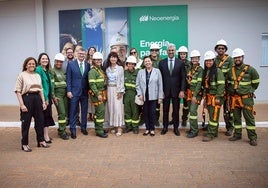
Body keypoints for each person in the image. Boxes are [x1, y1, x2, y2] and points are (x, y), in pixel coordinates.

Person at [14, 57, 49, 152]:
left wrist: (43, 102)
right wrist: (22, 105)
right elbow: (18, 91)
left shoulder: (37, 75)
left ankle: (41, 140)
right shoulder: (21, 75)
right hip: (27, 98)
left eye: (33, 64)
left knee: (40, 121)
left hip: (37, 98)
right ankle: (24, 144)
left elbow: (41, 90)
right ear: (26, 65)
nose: (31, 65)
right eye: (29, 63)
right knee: (26, 123)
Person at [226, 48, 260, 146]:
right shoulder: (230, 71)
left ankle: (252, 137)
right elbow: (228, 83)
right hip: (234, 99)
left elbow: (256, 83)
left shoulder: (251, 70)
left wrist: (249, 91)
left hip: (246, 99)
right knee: (236, 118)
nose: (237, 59)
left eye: (239, 57)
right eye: (235, 57)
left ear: (243, 57)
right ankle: (237, 134)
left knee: (249, 118)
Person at [158, 43, 186, 136]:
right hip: (165, 91)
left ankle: (175, 128)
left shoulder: (180, 63)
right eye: (169, 50)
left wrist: (182, 90)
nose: (171, 52)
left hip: (176, 91)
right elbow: (160, 78)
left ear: (175, 51)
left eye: (172, 50)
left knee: (176, 110)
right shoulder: (161, 63)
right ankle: (165, 127)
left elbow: (183, 78)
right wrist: (160, 90)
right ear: (167, 51)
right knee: (165, 110)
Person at [136, 56, 163, 136]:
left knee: (152, 113)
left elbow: (160, 84)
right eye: (146, 61)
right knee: (146, 113)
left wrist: (160, 97)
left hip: (153, 96)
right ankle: (147, 129)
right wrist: (140, 94)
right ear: (144, 63)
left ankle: (152, 129)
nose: (147, 63)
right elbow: (137, 84)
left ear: (151, 62)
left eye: (149, 61)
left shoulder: (157, 71)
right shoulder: (140, 72)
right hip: (144, 96)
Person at [66, 48, 90, 139]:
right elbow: (68, 79)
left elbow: (87, 79)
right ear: (77, 54)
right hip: (74, 92)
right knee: (73, 111)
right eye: (80, 54)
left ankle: (83, 128)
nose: (81, 55)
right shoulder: (71, 64)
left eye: (83, 54)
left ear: (85, 55)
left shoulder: (87, 65)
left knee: (84, 111)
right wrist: (69, 90)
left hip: (84, 92)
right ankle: (73, 129)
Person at [202, 50, 225, 142]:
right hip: (209, 97)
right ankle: (214, 131)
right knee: (211, 115)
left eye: (210, 60)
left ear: (214, 60)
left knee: (214, 115)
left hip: (216, 97)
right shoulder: (207, 71)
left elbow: (221, 85)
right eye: (206, 61)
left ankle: (211, 134)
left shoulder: (217, 71)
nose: (208, 62)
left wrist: (218, 97)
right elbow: (206, 86)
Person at [214, 39, 234, 136]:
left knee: (227, 111)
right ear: (216, 49)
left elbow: (232, 74)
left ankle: (229, 128)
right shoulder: (214, 59)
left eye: (222, 48)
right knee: (215, 109)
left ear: (225, 49)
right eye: (219, 48)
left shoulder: (230, 60)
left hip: (227, 90)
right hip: (217, 90)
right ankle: (214, 128)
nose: (221, 50)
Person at [36, 53, 55, 143]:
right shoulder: (38, 69)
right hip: (43, 98)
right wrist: (45, 99)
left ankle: (45, 135)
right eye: (43, 59)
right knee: (43, 117)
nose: (45, 60)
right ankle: (44, 137)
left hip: (48, 97)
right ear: (39, 60)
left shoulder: (46, 70)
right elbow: (40, 85)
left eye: (46, 59)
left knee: (47, 116)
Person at [169, 46, 191, 127]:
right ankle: (174, 119)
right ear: (178, 54)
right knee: (176, 105)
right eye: (181, 54)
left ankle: (184, 119)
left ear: (186, 54)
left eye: (184, 54)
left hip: (187, 87)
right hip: (177, 87)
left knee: (186, 105)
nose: (182, 55)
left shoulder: (189, 64)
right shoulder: (175, 62)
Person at [88, 52, 108, 138]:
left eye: (100, 59)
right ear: (93, 60)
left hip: (102, 93)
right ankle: (99, 131)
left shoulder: (100, 70)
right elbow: (92, 85)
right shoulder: (92, 71)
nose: (98, 61)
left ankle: (99, 127)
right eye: (96, 60)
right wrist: (97, 94)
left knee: (100, 112)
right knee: (100, 112)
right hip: (97, 95)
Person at [105, 51, 125, 136]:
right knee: (111, 108)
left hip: (117, 90)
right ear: (109, 58)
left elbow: (122, 80)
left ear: (117, 59)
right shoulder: (107, 69)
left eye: (115, 57)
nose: (113, 59)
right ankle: (114, 126)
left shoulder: (120, 68)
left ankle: (119, 127)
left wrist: (120, 91)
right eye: (111, 57)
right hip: (109, 89)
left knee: (118, 109)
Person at [185, 50, 203, 138]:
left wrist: (195, 96)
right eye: (193, 58)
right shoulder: (189, 68)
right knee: (190, 111)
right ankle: (192, 128)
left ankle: (195, 131)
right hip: (189, 94)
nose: (194, 60)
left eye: (196, 58)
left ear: (199, 59)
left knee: (193, 111)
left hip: (196, 95)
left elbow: (199, 84)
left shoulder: (200, 70)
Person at [51, 53, 69, 140]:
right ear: (54, 61)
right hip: (58, 95)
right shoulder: (52, 71)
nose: (59, 63)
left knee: (65, 113)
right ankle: (62, 132)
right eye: (57, 61)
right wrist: (53, 96)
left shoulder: (63, 71)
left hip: (65, 94)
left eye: (61, 62)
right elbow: (51, 85)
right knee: (61, 113)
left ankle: (62, 129)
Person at [124, 56, 140, 134]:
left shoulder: (138, 72)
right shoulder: (124, 73)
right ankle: (128, 126)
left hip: (134, 94)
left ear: (134, 65)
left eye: (132, 64)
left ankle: (135, 127)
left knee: (135, 111)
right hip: (126, 94)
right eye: (129, 64)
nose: (130, 65)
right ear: (127, 64)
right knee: (127, 111)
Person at [86, 46, 96, 122]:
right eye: (90, 50)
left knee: (94, 99)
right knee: (89, 100)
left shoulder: (97, 62)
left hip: (94, 83)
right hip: (87, 84)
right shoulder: (86, 62)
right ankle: (90, 115)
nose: (92, 51)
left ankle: (95, 114)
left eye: (93, 50)